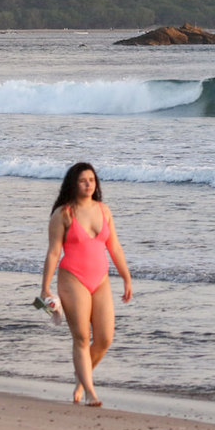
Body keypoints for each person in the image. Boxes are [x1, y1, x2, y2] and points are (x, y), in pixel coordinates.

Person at [41, 162, 133, 406]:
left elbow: (114, 246)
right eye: (83, 180)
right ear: (73, 183)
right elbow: (53, 253)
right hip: (73, 278)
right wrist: (44, 288)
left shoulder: (104, 210)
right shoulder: (63, 214)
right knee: (81, 338)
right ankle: (90, 392)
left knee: (105, 339)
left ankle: (81, 377)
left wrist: (126, 276)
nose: (88, 184)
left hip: (100, 280)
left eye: (92, 179)